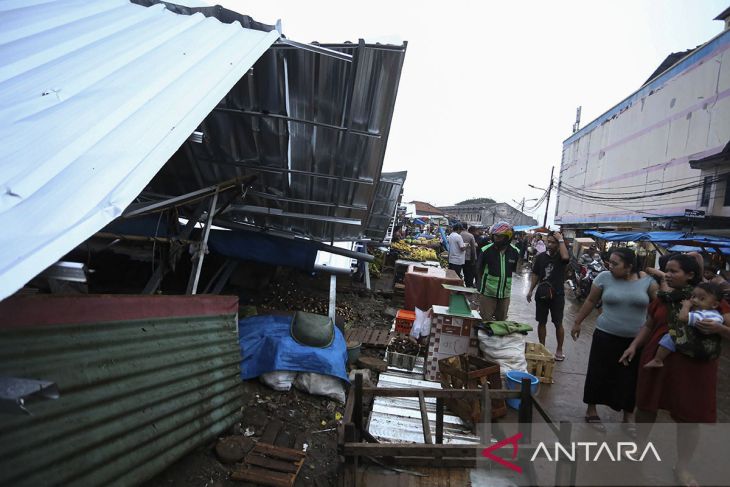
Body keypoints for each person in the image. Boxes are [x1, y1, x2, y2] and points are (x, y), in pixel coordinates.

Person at [619, 254, 730, 487]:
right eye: (666, 270)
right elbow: (649, 324)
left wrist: (719, 328)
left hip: (695, 365)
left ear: (690, 275)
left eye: (673, 271)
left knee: (690, 417)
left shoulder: (708, 297)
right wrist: (633, 345)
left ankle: (682, 467)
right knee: (647, 406)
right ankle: (639, 449)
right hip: (657, 358)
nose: (667, 274)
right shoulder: (664, 297)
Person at [571, 247, 658, 433]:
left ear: (629, 266)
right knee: (598, 373)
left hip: (635, 341)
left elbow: (660, 305)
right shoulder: (603, 277)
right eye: (609, 262)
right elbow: (590, 301)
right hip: (605, 335)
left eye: (615, 264)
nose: (610, 266)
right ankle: (591, 410)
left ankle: (628, 416)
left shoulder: (647, 282)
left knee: (630, 378)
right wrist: (577, 322)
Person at [644, 281, 725, 368]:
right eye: (693, 296)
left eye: (702, 299)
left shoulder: (702, 314)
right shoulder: (716, 314)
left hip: (693, 345)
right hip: (706, 352)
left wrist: (686, 306)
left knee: (670, 335)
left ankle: (658, 359)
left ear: (715, 304)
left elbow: (683, 317)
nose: (694, 300)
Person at [527, 232, 570, 361]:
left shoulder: (561, 257)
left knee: (558, 323)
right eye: (548, 242)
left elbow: (566, 257)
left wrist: (561, 240)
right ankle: (542, 347)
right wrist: (530, 290)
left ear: (558, 244)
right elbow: (535, 274)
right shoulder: (540, 257)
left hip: (557, 295)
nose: (549, 245)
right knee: (541, 322)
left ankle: (559, 349)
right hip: (542, 294)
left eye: (553, 242)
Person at [477, 221, 521, 321]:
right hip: (488, 293)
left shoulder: (515, 252)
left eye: (499, 236)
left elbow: (515, 270)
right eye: (494, 236)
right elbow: (479, 270)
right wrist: (480, 288)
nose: (496, 238)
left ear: (507, 237)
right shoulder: (485, 250)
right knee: (485, 320)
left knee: (501, 321)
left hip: (505, 294)